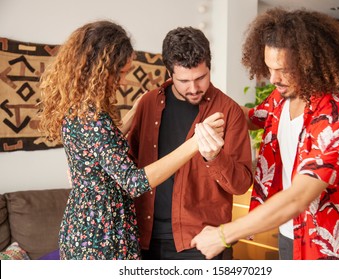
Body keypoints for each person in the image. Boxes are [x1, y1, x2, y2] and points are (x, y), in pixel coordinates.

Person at [38, 20, 224, 260]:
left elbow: (103, 147)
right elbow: (134, 182)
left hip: (85, 225)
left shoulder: (80, 110)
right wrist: (194, 143)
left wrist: (132, 116)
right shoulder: (92, 118)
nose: (123, 81)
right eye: (121, 73)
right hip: (99, 235)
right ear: (102, 70)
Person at [191, 8, 339, 260]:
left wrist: (223, 235)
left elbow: (299, 197)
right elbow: (249, 117)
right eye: (270, 67)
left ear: (310, 63)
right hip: (288, 233)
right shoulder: (280, 99)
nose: (273, 78)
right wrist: (202, 93)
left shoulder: (336, 116)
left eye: (283, 69)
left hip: (326, 245)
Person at [127, 26, 253, 260]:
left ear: (209, 67)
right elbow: (129, 165)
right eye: (184, 80)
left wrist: (216, 157)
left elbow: (241, 184)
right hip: (144, 238)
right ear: (169, 72)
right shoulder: (148, 104)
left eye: (200, 78)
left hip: (201, 242)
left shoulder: (229, 111)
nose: (194, 88)